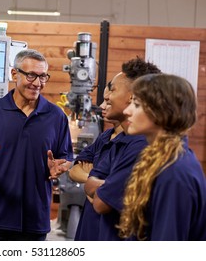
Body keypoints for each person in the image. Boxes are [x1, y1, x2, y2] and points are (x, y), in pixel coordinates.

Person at [0, 49, 74, 241]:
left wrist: (60, 167)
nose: (37, 83)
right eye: (31, 75)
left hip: (34, 220)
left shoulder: (56, 116)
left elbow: (65, 158)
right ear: (14, 74)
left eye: (43, 76)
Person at [118, 73, 206, 240]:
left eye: (136, 105)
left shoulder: (174, 171)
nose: (126, 111)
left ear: (162, 111)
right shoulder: (160, 158)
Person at [85, 57, 161, 240]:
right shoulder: (118, 138)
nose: (107, 98)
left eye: (112, 90)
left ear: (132, 96)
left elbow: (101, 201)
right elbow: (88, 183)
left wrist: (100, 187)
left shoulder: (141, 145)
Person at [69, 82, 123, 240]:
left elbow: (110, 194)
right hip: (89, 226)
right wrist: (93, 181)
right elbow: (74, 171)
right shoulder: (104, 137)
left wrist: (90, 181)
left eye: (108, 101)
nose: (101, 106)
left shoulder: (132, 144)